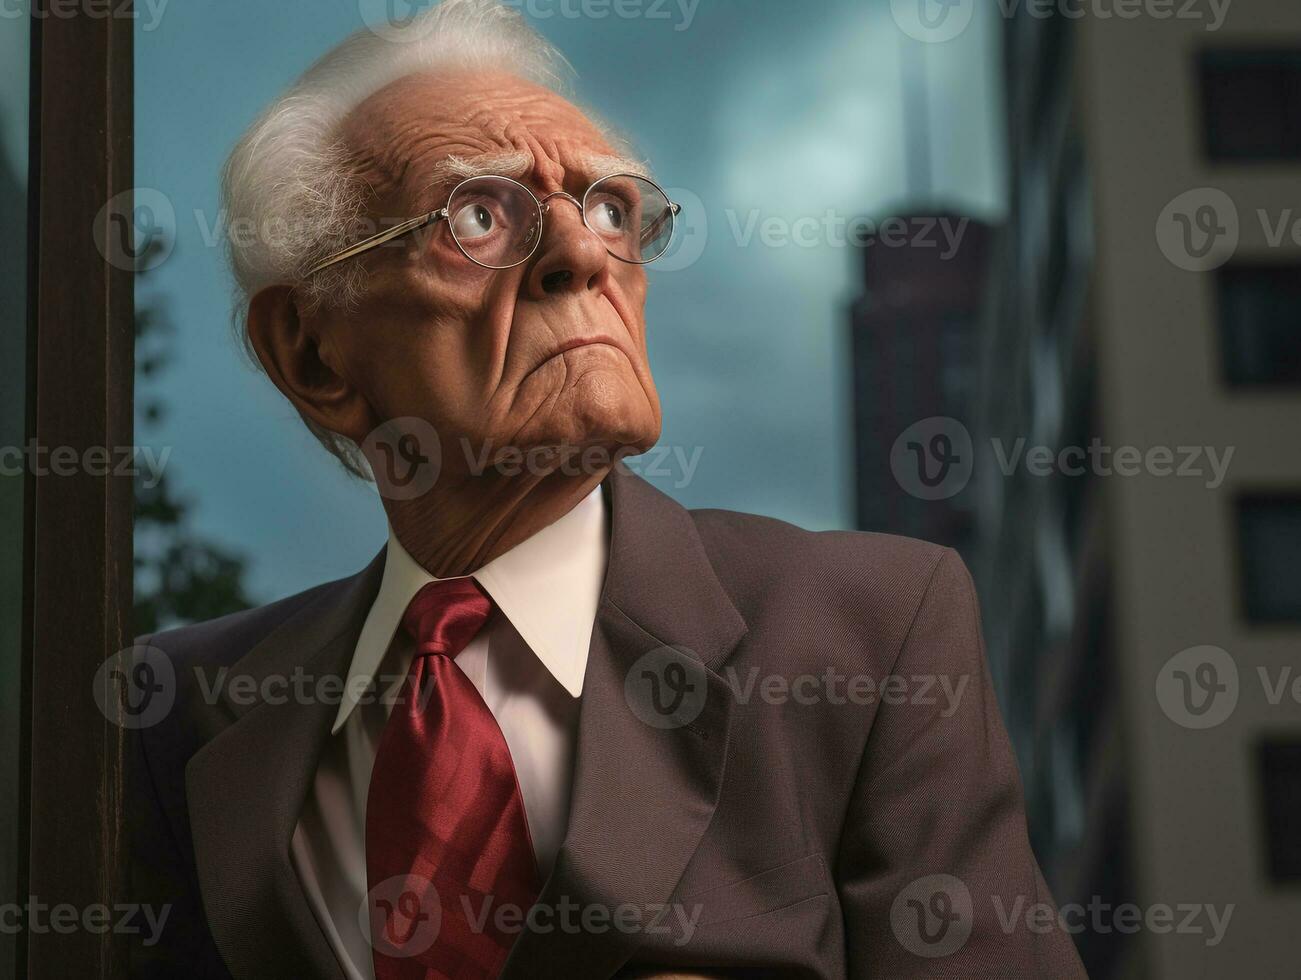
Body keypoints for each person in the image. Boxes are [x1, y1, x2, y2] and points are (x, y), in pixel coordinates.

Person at [126, 2, 1086, 977]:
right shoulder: (182, 718)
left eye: (610, 208)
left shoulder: (867, 634)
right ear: (310, 348)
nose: (583, 253)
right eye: (479, 214)